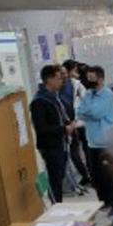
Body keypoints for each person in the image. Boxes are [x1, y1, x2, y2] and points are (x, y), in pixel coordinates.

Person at [76, 65, 113, 213]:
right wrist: (87, 111)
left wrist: (87, 111)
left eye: (92, 79)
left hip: (106, 142)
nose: (89, 82)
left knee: (109, 175)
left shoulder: (107, 94)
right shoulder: (88, 94)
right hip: (92, 141)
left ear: (101, 79)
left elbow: (96, 113)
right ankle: (104, 201)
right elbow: (79, 112)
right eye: (88, 78)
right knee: (96, 176)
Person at [31, 64, 75, 203]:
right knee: (55, 181)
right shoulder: (39, 101)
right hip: (51, 147)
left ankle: (59, 204)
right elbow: (41, 128)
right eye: (58, 78)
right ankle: (57, 208)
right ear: (49, 79)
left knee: (59, 178)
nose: (61, 80)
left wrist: (68, 124)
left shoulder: (53, 96)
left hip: (61, 144)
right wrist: (64, 129)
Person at [61, 61, 92, 189]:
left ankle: (88, 175)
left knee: (83, 150)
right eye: (74, 70)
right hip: (73, 124)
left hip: (78, 123)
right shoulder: (67, 86)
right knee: (77, 151)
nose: (76, 73)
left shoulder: (76, 85)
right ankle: (87, 175)